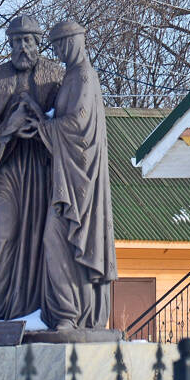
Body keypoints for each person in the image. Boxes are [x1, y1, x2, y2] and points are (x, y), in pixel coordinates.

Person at [0, 15, 63, 320]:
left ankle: (36, 312)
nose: (22, 48)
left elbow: (66, 124)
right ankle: (3, 313)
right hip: (6, 172)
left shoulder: (54, 76)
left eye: (27, 41)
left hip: (41, 173)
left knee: (39, 239)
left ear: (37, 44)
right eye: (16, 42)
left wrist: (40, 125)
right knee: (4, 234)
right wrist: (8, 129)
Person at [36, 20, 117, 330]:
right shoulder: (71, 77)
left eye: (60, 45)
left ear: (74, 42)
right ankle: (67, 312)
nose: (57, 52)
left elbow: (79, 125)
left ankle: (75, 315)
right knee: (57, 240)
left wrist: (44, 127)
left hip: (83, 180)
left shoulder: (84, 76)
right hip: (67, 176)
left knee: (64, 239)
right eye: (55, 47)